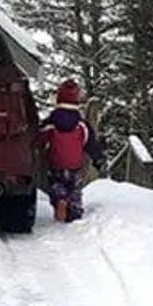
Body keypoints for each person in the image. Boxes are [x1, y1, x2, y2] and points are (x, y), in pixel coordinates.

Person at [39, 78, 105, 222]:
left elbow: (39, 139)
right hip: (75, 164)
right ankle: (74, 211)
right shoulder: (81, 125)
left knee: (55, 184)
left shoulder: (51, 123)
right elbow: (90, 143)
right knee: (74, 189)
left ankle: (60, 199)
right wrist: (98, 159)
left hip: (56, 162)